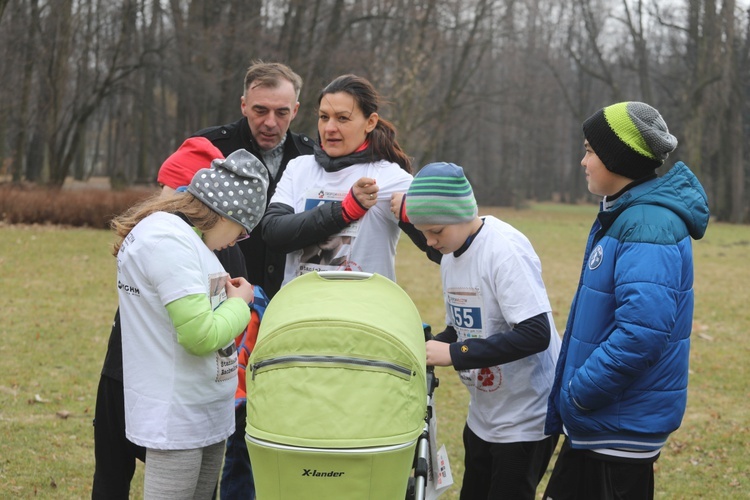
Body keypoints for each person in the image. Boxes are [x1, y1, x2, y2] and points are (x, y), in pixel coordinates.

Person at [543, 102, 710, 499]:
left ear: (617, 158)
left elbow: (641, 334)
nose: (583, 161)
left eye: (589, 150)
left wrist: (579, 392)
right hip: (601, 423)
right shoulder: (625, 213)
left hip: (616, 427)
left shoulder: (648, 224)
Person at [91, 137, 248, 500]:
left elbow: (212, 332)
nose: (163, 203)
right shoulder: (164, 238)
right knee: (113, 470)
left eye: (174, 192)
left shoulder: (217, 249)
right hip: (132, 373)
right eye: (163, 189)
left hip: (181, 392)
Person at [400, 162, 561, 499]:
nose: (428, 241)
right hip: (484, 415)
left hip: (525, 418)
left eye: (436, 231)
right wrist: (423, 344)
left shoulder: (504, 250)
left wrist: (455, 354)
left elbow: (536, 333)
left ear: (462, 213)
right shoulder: (449, 254)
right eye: (422, 231)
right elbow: (463, 329)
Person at [261, 74, 414, 284]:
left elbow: (439, 243)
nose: (329, 128)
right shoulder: (299, 168)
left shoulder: (388, 177)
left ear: (370, 122)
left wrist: (413, 214)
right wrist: (343, 211)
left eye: (342, 118)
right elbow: (274, 233)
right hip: (299, 309)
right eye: (324, 117)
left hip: (361, 313)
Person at [193, 60, 314, 298]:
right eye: (260, 110)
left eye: (282, 112)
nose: (270, 122)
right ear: (244, 105)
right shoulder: (208, 148)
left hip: (288, 299)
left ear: (296, 110)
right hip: (217, 297)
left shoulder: (311, 159)